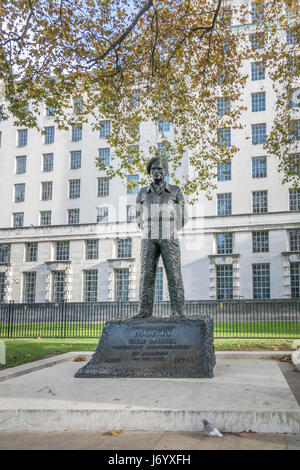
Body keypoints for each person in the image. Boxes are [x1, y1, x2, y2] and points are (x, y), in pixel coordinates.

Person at [135, 156, 188, 318]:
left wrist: (170, 228)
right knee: (146, 274)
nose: (156, 172)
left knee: (174, 273)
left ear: (165, 171)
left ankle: (178, 311)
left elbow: (183, 217)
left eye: (159, 169)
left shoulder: (175, 190)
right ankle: (144, 311)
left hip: (169, 234)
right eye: (153, 170)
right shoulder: (143, 192)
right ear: (150, 173)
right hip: (149, 236)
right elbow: (138, 217)